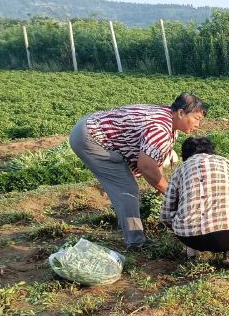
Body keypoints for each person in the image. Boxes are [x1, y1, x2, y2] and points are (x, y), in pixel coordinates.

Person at [69, 92, 207, 249]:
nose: (198, 125)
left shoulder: (169, 120)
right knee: (126, 187)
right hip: (91, 137)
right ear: (181, 113)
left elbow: (155, 158)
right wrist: (171, 193)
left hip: (93, 123)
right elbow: (146, 166)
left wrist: (160, 184)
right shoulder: (160, 129)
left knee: (128, 183)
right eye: (197, 119)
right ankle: (135, 242)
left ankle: (127, 220)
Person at [161, 136, 229, 268]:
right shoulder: (224, 162)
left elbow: (166, 213)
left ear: (184, 155)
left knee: (183, 214)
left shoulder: (179, 170)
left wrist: (181, 224)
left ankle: (191, 251)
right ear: (212, 151)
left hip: (191, 238)